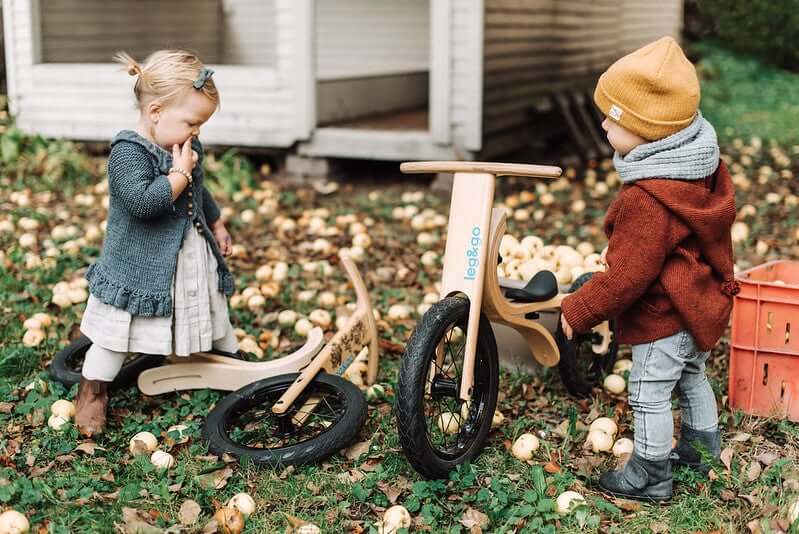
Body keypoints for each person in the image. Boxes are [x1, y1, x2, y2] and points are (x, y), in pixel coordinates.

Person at [559, 36, 738, 501]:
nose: (602, 123)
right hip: (697, 302)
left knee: (648, 393)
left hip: (666, 311)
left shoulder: (647, 200)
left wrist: (579, 309)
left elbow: (627, 278)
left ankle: (650, 473)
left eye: (613, 117)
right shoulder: (698, 167)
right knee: (691, 376)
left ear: (648, 130)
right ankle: (700, 450)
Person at [74, 50, 238, 437]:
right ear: (156, 112)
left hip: (186, 255)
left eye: (200, 125)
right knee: (117, 335)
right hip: (139, 266)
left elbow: (199, 191)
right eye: (191, 122)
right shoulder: (127, 153)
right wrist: (179, 174)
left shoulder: (185, 146)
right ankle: (93, 388)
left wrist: (216, 221)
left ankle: (226, 359)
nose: (195, 132)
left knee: (205, 308)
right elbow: (144, 203)